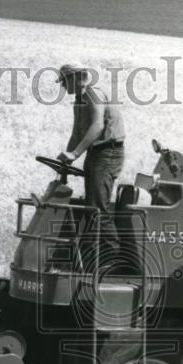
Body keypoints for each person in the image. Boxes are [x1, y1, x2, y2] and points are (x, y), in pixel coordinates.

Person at [56, 64, 125, 265]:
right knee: (90, 207)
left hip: (108, 153)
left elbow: (98, 126)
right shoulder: (79, 99)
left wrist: (75, 153)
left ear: (77, 77)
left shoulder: (93, 94)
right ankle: (91, 258)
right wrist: (66, 160)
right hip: (95, 154)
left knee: (98, 209)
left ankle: (114, 262)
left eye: (64, 81)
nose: (63, 86)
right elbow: (77, 133)